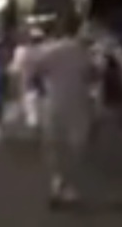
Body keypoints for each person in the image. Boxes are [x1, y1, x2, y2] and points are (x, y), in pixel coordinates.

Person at [28, 19, 96, 206]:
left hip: (52, 103)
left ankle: (57, 181)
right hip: (77, 103)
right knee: (77, 145)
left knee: (54, 145)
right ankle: (68, 185)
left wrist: (43, 90)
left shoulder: (49, 51)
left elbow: (33, 75)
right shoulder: (83, 52)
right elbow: (93, 75)